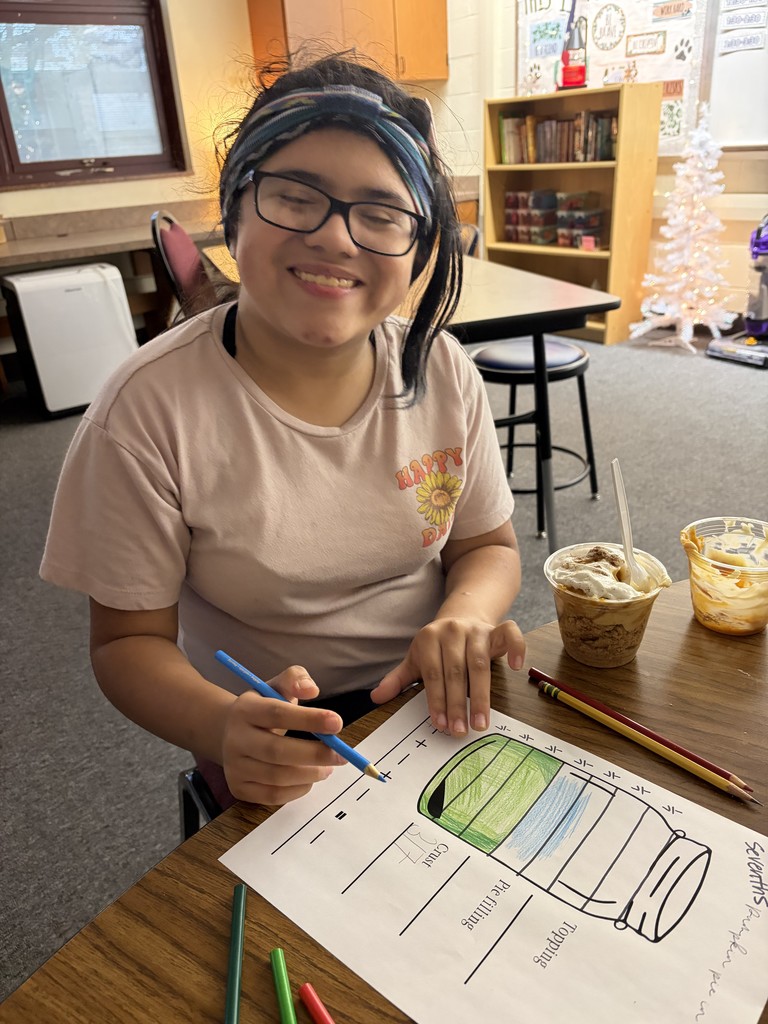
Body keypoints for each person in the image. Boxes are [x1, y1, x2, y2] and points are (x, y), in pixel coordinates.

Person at [40, 52, 524, 812]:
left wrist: (465, 614)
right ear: (234, 214)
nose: (336, 238)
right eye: (294, 198)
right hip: (269, 726)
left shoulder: (441, 369)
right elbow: (126, 644)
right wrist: (222, 724)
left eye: (381, 214)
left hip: (432, 700)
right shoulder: (145, 412)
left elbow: (488, 548)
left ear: (420, 245)